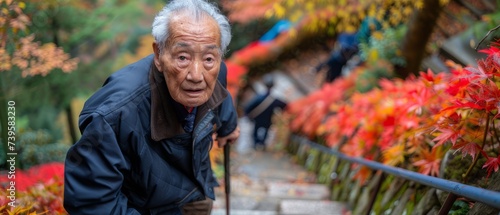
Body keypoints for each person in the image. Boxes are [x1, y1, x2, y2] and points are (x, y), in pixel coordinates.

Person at [63, 0, 240, 214]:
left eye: (209, 58)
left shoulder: (215, 70)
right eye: (183, 57)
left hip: (194, 189)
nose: (196, 75)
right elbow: (92, 202)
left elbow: (219, 96)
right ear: (159, 54)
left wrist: (228, 125)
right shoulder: (114, 114)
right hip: (147, 206)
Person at [244, 74, 287, 151]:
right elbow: (284, 105)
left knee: (256, 130)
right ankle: (262, 143)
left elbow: (248, 106)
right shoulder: (274, 100)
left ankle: (256, 143)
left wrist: (248, 115)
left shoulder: (259, 97)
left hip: (257, 118)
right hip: (267, 119)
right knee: (266, 131)